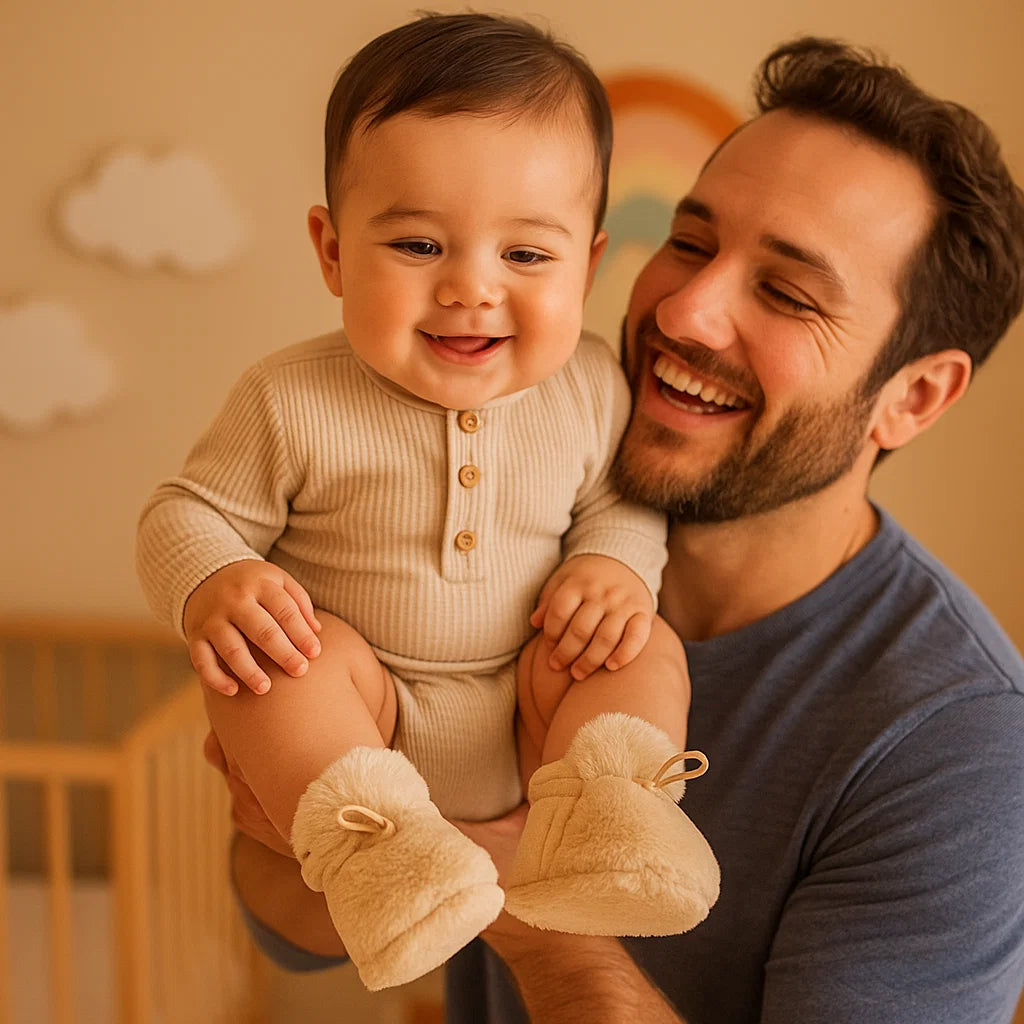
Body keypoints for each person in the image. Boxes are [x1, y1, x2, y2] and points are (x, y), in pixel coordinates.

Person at [206, 33, 1024, 1024]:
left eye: (784, 292)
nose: (684, 307)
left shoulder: (965, 748)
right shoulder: (524, 516)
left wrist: (522, 905)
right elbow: (282, 926)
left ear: (914, 395)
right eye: (688, 241)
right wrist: (308, 826)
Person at [136, 12, 720, 994]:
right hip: (358, 731)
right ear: (329, 250)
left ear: (587, 256)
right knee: (280, 663)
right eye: (416, 243)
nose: (470, 288)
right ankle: (384, 858)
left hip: (535, 730)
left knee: (636, 642)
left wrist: (612, 569)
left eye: (526, 257)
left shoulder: (590, 390)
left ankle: (616, 816)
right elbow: (181, 514)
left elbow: (621, 507)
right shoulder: (290, 397)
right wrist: (217, 579)